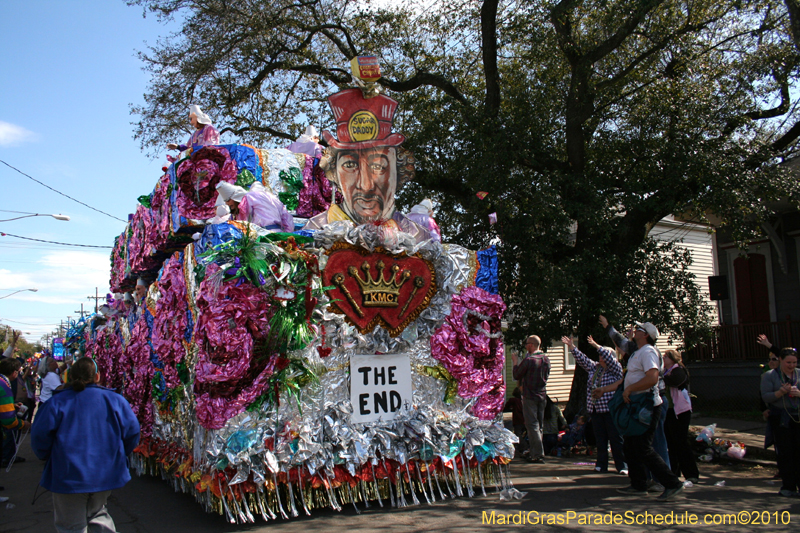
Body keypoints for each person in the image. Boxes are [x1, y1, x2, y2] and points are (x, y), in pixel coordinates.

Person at [303, 88, 432, 243]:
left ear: (397, 174)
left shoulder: (418, 237)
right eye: (350, 165)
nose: (365, 185)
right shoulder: (316, 230)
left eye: (378, 167)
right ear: (334, 174)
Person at [31, 357, 140, 532]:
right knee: (98, 514)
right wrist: (118, 455)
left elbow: (39, 438)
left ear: (70, 376)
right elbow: (132, 433)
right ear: (97, 376)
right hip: (104, 473)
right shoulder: (115, 400)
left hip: (68, 475)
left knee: (71, 524)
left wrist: (48, 457)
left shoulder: (57, 402)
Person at [614, 321, 684, 500]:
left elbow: (652, 378)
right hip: (637, 405)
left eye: (639, 329)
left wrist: (630, 389)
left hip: (648, 406)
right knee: (630, 445)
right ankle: (638, 484)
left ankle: (672, 483)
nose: (635, 331)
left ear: (645, 335)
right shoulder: (639, 352)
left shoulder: (648, 352)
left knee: (643, 447)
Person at [563, 335, 627, 474]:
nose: (600, 357)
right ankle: (601, 464)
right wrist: (572, 347)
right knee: (600, 439)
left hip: (610, 410)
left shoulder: (615, 369)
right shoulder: (595, 368)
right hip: (596, 409)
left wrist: (597, 345)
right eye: (600, 355)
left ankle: (622, 465)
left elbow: (610, 359)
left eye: (603, 355)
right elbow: (583, 360)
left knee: (615, 439)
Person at [761, 347, 800, 497]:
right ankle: (788, 486)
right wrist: (780, 392)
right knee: (785, 452)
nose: (792, 365)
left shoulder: (799, 374)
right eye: (788, 362)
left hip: (798, 416)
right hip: (781, 418)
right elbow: (766, 396)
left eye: (794, 362)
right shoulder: (770, 376)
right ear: (781, 360)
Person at [662, 349, 699, 483]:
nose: (663, 359)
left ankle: (691, 473)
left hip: (680, 411)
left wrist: (660, 377)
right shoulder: (664, 371)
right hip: (668, 411)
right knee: (671, 442)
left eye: (666, 357)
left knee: (681, 442)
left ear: (673, 359)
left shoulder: (678, 370)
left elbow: (674, 381)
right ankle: (674, 471)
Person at [512, 335, 551, 463]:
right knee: (539, 425)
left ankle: (537, 454)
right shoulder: (545, 359)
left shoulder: (529, 360)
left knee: (532, 425)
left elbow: (517, 374)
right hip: (542, 395)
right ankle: (535, 452)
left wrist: (515, 362)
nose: (525, 346)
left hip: (529, 396)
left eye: (527, 344)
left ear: (531, 345)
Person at [215, 181, 294, 232]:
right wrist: (287, 234)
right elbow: (287, 218)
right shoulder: (274, 199)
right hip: (277, 233)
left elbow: (244, 222)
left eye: (228, 201)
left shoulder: (248, 198)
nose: (227, 204)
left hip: (262, 236)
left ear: (234, 197)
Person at [1, 358, 32, 473]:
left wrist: (11, 405)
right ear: (14, 372)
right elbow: (8, 420)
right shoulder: (4, 386)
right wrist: (23, 424)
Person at [503, 387, 525, 451]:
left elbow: (506, 407)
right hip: (525, 419)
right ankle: (522, 447)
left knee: (518, 434)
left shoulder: (513, 400)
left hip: (517, 420)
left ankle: (524, 446)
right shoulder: (524, 400)